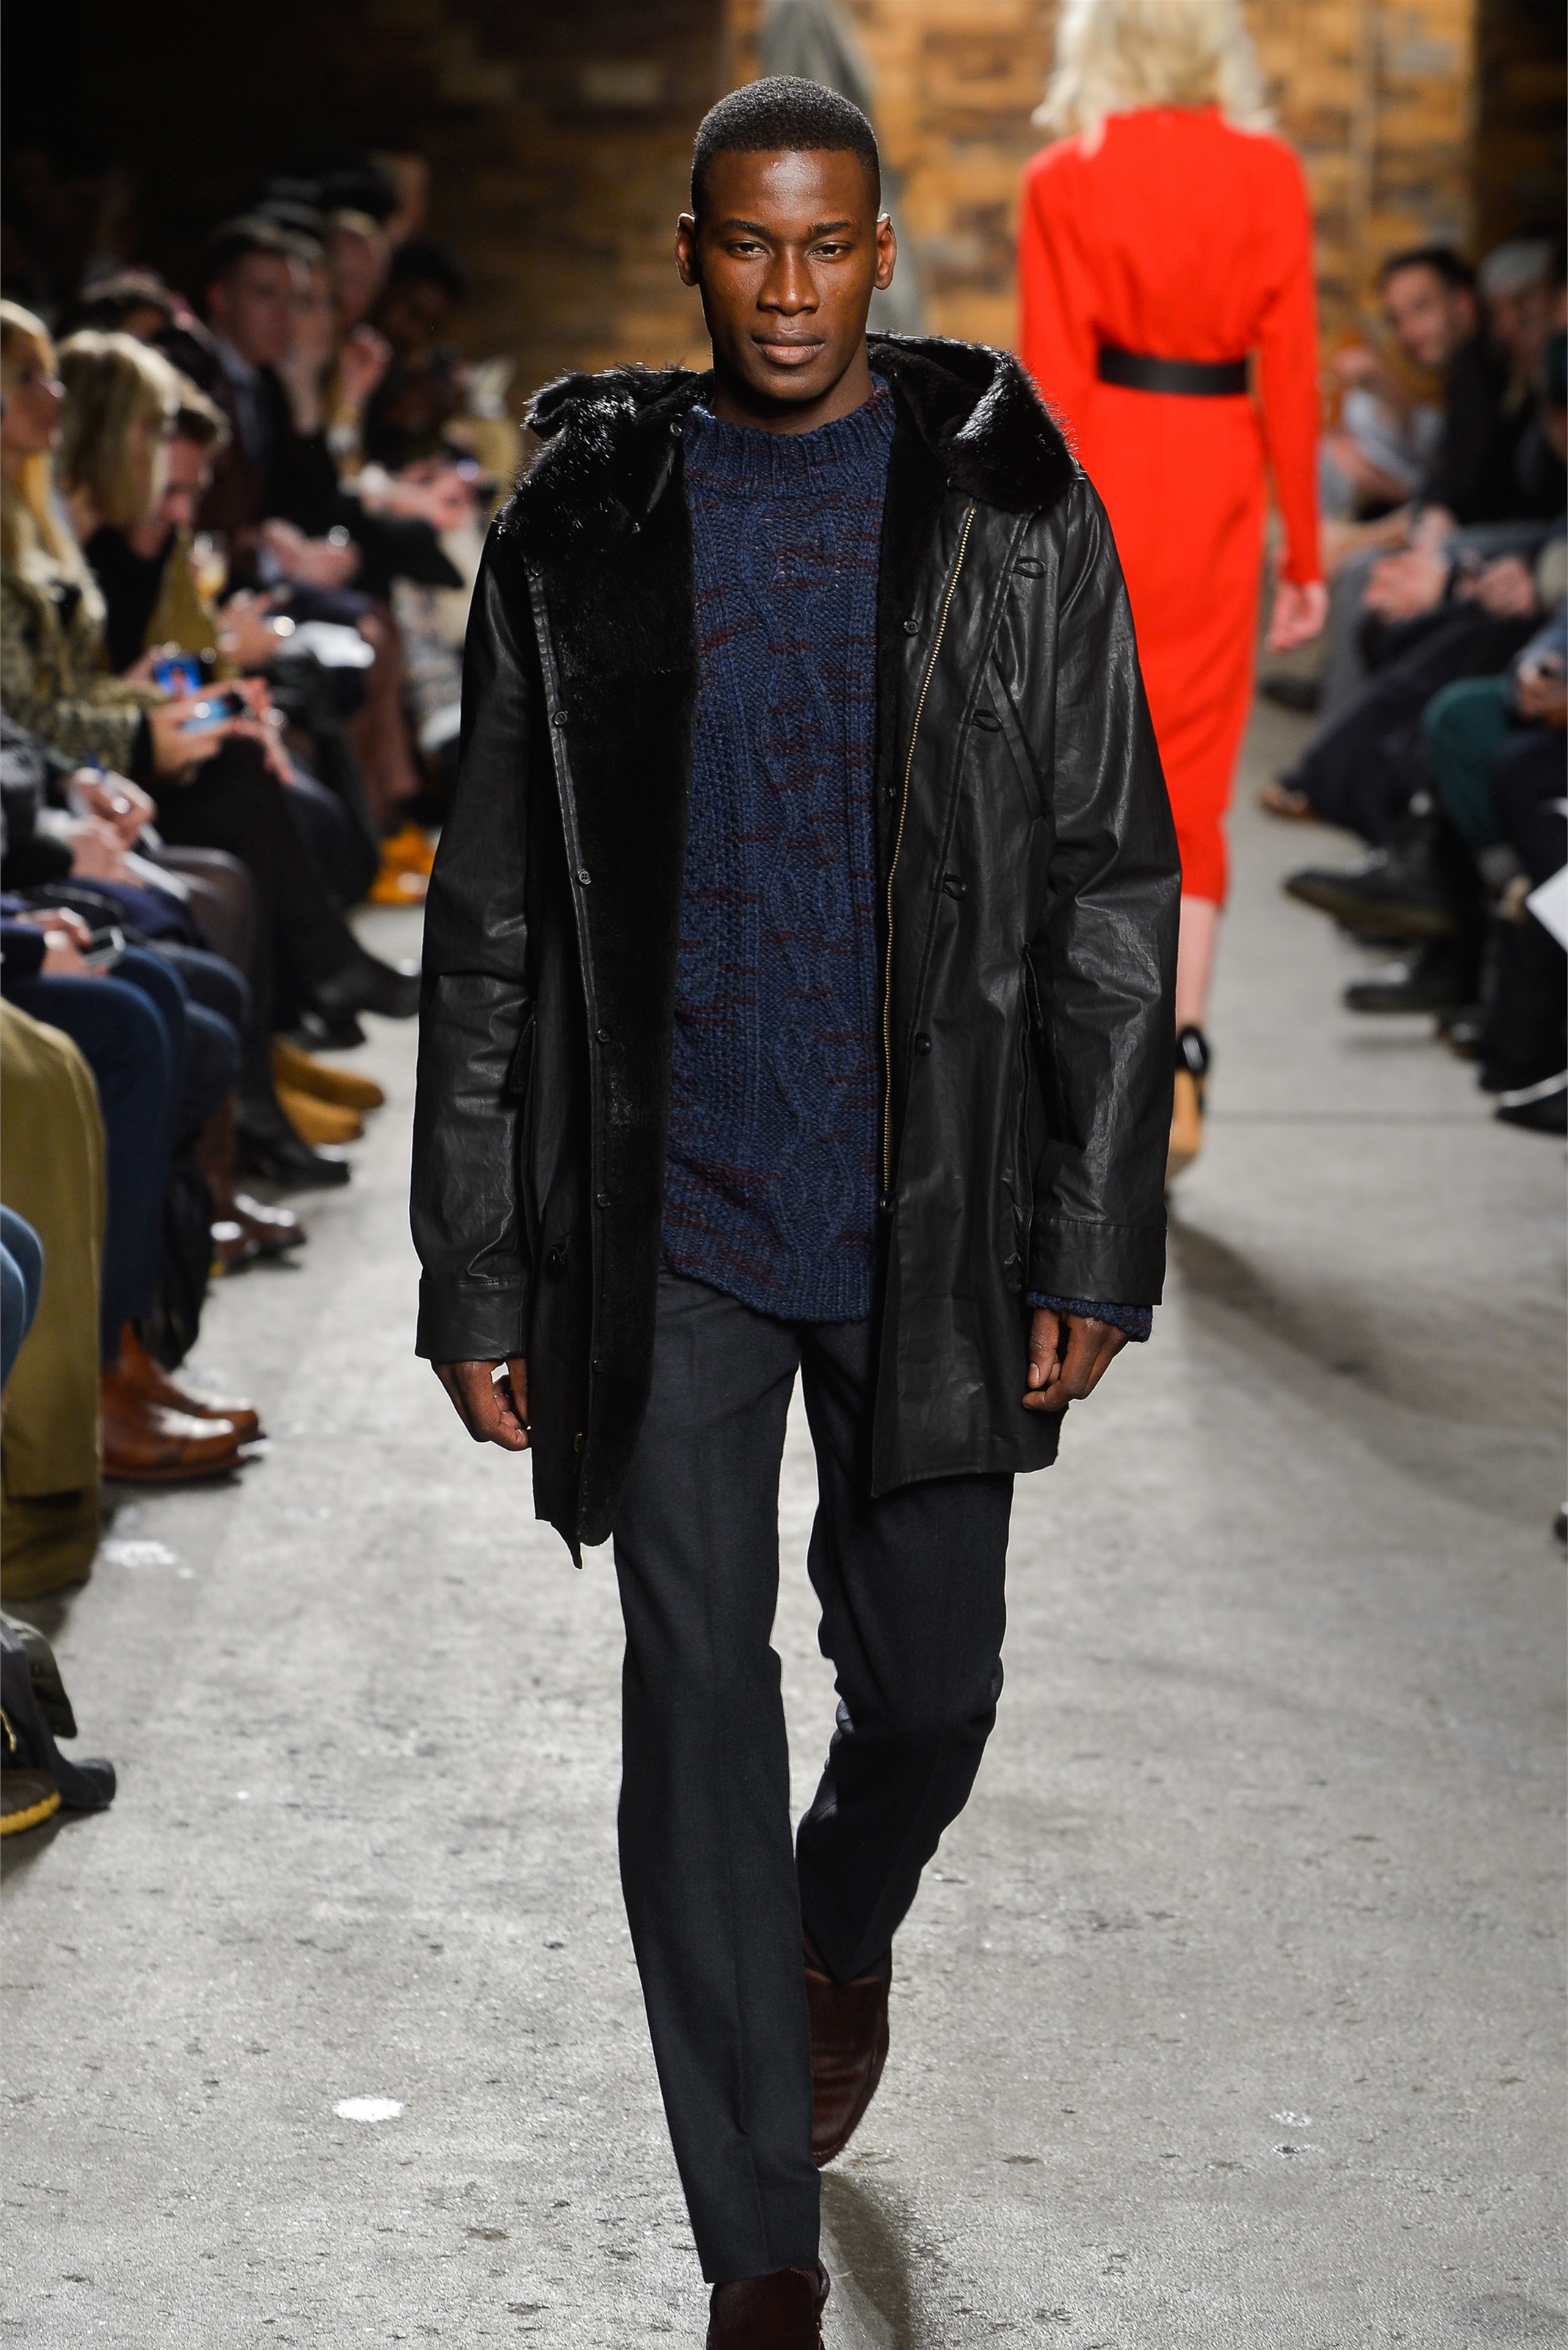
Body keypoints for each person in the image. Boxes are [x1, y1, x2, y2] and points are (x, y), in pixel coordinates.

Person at [412, 76, 1177, 2349]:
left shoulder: (1012, 503)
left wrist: (1092, 1226)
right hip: (673, 1216)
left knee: (933, 1690)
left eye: (826, 244)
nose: (786, 288)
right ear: (692, 253)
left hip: (931, 1210)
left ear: (879, 250)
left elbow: (1108, 879)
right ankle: (752, 2240)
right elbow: (490, 921)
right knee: (692, 1697)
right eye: (747, 244)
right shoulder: (580, 531)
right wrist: (479, 1255)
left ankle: (841, 1922)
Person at [1017, 0, 1325, 1177]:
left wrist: (1027, 542)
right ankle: (1179, 1055)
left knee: (1073, 769)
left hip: (1105, 478)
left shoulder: (1064, 178)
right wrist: (1306, 553)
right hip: (1216, 480)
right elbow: (1289, 367)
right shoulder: (1268, 173)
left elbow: (1051, 377)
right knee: (1190, 783)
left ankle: (1076, 1061)